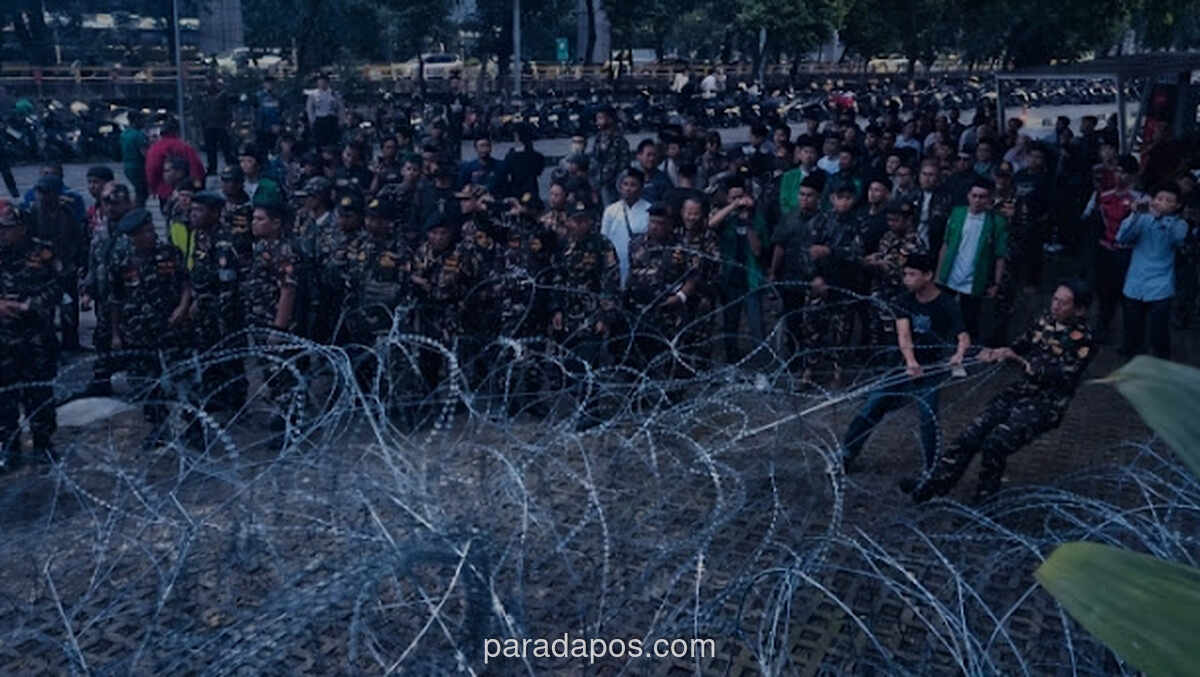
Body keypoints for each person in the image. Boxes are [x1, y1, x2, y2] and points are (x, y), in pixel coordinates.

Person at [912, 279, 1096, 503]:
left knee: (996, 444)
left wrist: (1014, 358)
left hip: (1046, 404)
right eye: (1054, 299)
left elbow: (1053, 374)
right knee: (971, 433)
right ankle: (933, 485)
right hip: (1021, 392)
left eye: (1063, 303)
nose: (1055, 306)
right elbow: (1023, 343)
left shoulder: (1084, 340)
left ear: (1079, 309)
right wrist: (997, 352)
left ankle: (985, 503)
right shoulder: (1046, 319)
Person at [841, 252, 968, 475]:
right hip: (901, 365)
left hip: (931, 368)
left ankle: (931, 469)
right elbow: (904, 335)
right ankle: (846, 454)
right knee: (873, 405)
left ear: (927, 275)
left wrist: (959, 354)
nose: (906, 279)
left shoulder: (947, 303)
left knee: (928, 417)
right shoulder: (904, 300)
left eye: (912, 274)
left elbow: (963, 335)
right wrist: (910, 362)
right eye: (905, 274)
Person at [107, 208, 192, 440]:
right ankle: (158, 427)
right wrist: (115, 334)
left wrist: (183, 307)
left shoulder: (169, 254)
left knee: (183, 377)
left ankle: (193, 426)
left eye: (151, 230)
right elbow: (115, 300)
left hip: (172, 327)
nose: (151, 235)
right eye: (144, 233)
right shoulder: (121, 262)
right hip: (138, 331)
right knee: (145, 381)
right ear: (133, 237)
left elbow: (186, 283)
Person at [0, 199, 59, 472]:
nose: (2, 233)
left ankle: (43, 443)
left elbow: (57, 290)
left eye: (7, 228)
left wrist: (28, 306)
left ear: (21, 228)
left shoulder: (42, 253)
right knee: (5, 397)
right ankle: (9, 447)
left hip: (36, 337)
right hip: (4, 340)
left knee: (39, 393)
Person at [1117, 183, 1188, 359]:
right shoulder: (1142, 218)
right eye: (1159, 198)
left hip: (1161, 283)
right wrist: (1135, 214)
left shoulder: (1180, 224)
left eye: (1168, 200)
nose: (1161, 202)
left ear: (1177, 206)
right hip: (1136, 280)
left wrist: (1160, 219)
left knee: (1159, 329)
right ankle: (1130, 355)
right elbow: (1122, 238)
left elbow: (1178, 239)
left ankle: (1160, 359)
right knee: (1132, 325)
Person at [936, 178, 1008, 342]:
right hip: (951, 273)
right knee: (942, 315)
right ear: (968, 196)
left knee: (969, 319)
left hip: (975, 278)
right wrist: (939, 274)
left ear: (989, 199)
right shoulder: (957, 213)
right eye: (974, 195)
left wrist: (996, 283)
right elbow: (946, 244)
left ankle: (966, 354)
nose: (977, 200)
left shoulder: (997, 222)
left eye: (982, 197)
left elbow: (1000, 255)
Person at [1082, 154, 1141, 343]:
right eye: (1117, 170)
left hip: (1129, 254)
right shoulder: (1103, 196)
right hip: (1105, 251)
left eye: (1124, 172)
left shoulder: (1141, 199)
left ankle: (1131, 340)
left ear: (1133, 175)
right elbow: (1089, 221)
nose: (1119, 175)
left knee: (1129, 299)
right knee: (1105, 295)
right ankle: (1102, 330)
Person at [710, 177, 767, 363]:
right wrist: (733, 208)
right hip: (730, 279)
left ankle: (761, 364)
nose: (738, 201)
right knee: (730, 325)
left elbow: (758, 250)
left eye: (740, 196)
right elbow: (711, 224)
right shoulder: (726, 219)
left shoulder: (756, 218)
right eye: (733, 197)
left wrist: (748, 221)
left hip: (751, 279)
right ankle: (732, 363)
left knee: (756, 325)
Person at [29, 175, 86, 351]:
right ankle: (48, 345)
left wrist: (78, 261)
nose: (42, 197)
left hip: (66, 267)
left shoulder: (66, 212)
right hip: (42, 269)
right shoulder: (32, 213)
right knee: (45, 309)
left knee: (69, 307)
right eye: (40, 192)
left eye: (47, 192)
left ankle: (71, 343)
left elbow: (78, 237)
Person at [600, 168, 651, 289]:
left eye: (633, 185)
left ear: (641, 187)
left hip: (639, 263)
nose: (628, 189)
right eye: (625, 184)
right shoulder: (611, 211)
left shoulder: (649, 210)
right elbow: (603, 239)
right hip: (615, 262)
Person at [146, 118, 205, 204]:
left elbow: (151, 169)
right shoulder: (184, 146)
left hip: (164, 191)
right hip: (185, 191)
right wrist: (198, 185)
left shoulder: (154, 149)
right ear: (176, 132)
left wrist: (153, 187)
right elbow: (196, 166)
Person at [588, 105, 631, 207]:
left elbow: (624, 164)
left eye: (600, 118)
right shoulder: (598, 138)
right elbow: (594, 160)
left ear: (610, 119)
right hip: (599, 183)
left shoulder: (619, 140)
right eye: (597, 118)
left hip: (614, 184)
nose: (597, 122)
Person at [120, 111, 150, 207]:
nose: (144, 122)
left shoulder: (124, 134)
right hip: (139, 167)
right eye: (142, 120)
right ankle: (137, 211)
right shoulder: (139, 135)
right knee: (142, 193)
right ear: (136, 120)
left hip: (127, 166)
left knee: (139, 191)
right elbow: (145, 153)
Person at [307, 73, 343, 149]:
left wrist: (341, 120)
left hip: (331, 120)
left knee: (332, 143)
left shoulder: (334, 94)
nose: (322, 84)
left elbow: (340, 108)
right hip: (320, 120)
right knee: (320, 143)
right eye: (320, 82)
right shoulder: (313, 95)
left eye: (324, 82)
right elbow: (310, 109)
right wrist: (313, 121)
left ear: (327, 82)